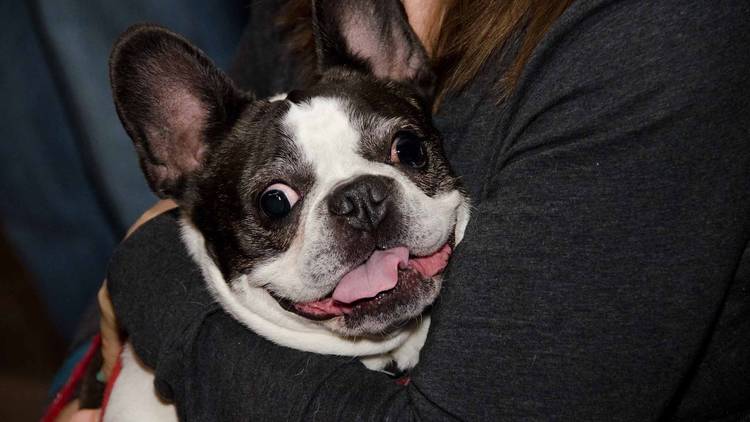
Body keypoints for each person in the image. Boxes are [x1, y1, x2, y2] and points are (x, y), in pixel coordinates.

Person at [70, 0, 750, 419]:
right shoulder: (285, 21)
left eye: (402, 153)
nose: (361, 210)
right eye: (279, 204)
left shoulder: (646, 35)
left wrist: (149, 267)